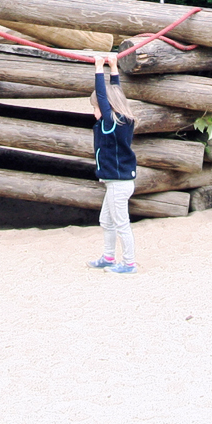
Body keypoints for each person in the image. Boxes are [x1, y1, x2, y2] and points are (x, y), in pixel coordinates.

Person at [87, 54, 138, 274]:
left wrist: (99, 69)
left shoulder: (112, 122)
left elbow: (103, 95)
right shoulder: (120, 119)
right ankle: (108, 257)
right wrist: (114, 68)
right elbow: (116, 92)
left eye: (96, 107)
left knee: (121, 223)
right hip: (115, 182)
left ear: (106, 107)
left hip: (118, 183)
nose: (94, 112)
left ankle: (129, 264)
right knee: (106, 221)